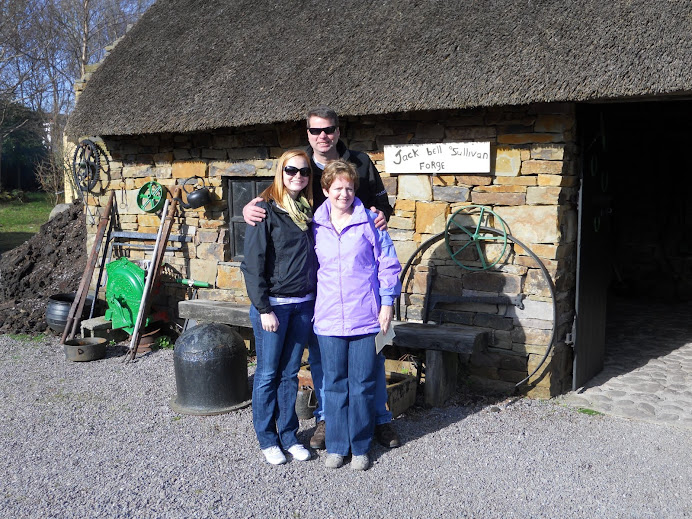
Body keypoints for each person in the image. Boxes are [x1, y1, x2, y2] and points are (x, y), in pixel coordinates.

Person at [243, 106, 401, 451]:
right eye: (316, 131)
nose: (322, 136)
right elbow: (276, 199)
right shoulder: (301, 167)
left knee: (371, 358)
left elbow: (381, 206)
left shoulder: (360, 162)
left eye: (328, 129)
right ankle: (329, 418)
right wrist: (248, 208)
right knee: (321, 359)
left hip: (362, 289)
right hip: (320, 290)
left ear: (338, 131)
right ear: (308, 133)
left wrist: (379, 217)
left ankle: (378, 419)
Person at [312, 159, 402, 470]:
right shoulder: (315, 225)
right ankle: (337, 445)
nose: (344, 193)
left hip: (366, 316)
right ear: (326, 190)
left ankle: (361, 446)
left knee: (363, 383)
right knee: (335, 383)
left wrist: (388, 302)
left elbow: (388, 264)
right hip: (328, 318)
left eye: (349, 187)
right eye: (337, 187)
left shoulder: (370, 222)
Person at [240, 149, 317, 465]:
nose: (297, 176)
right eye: (291, 170)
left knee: (289, 374)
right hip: (274, 308)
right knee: (268, 374)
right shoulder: (264, 211)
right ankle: (267, 438)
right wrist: (263, 309)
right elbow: (253, 265)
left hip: (302, 306)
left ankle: (288, 434)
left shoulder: (308, 211)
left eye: (304, 171)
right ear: (280, 172)